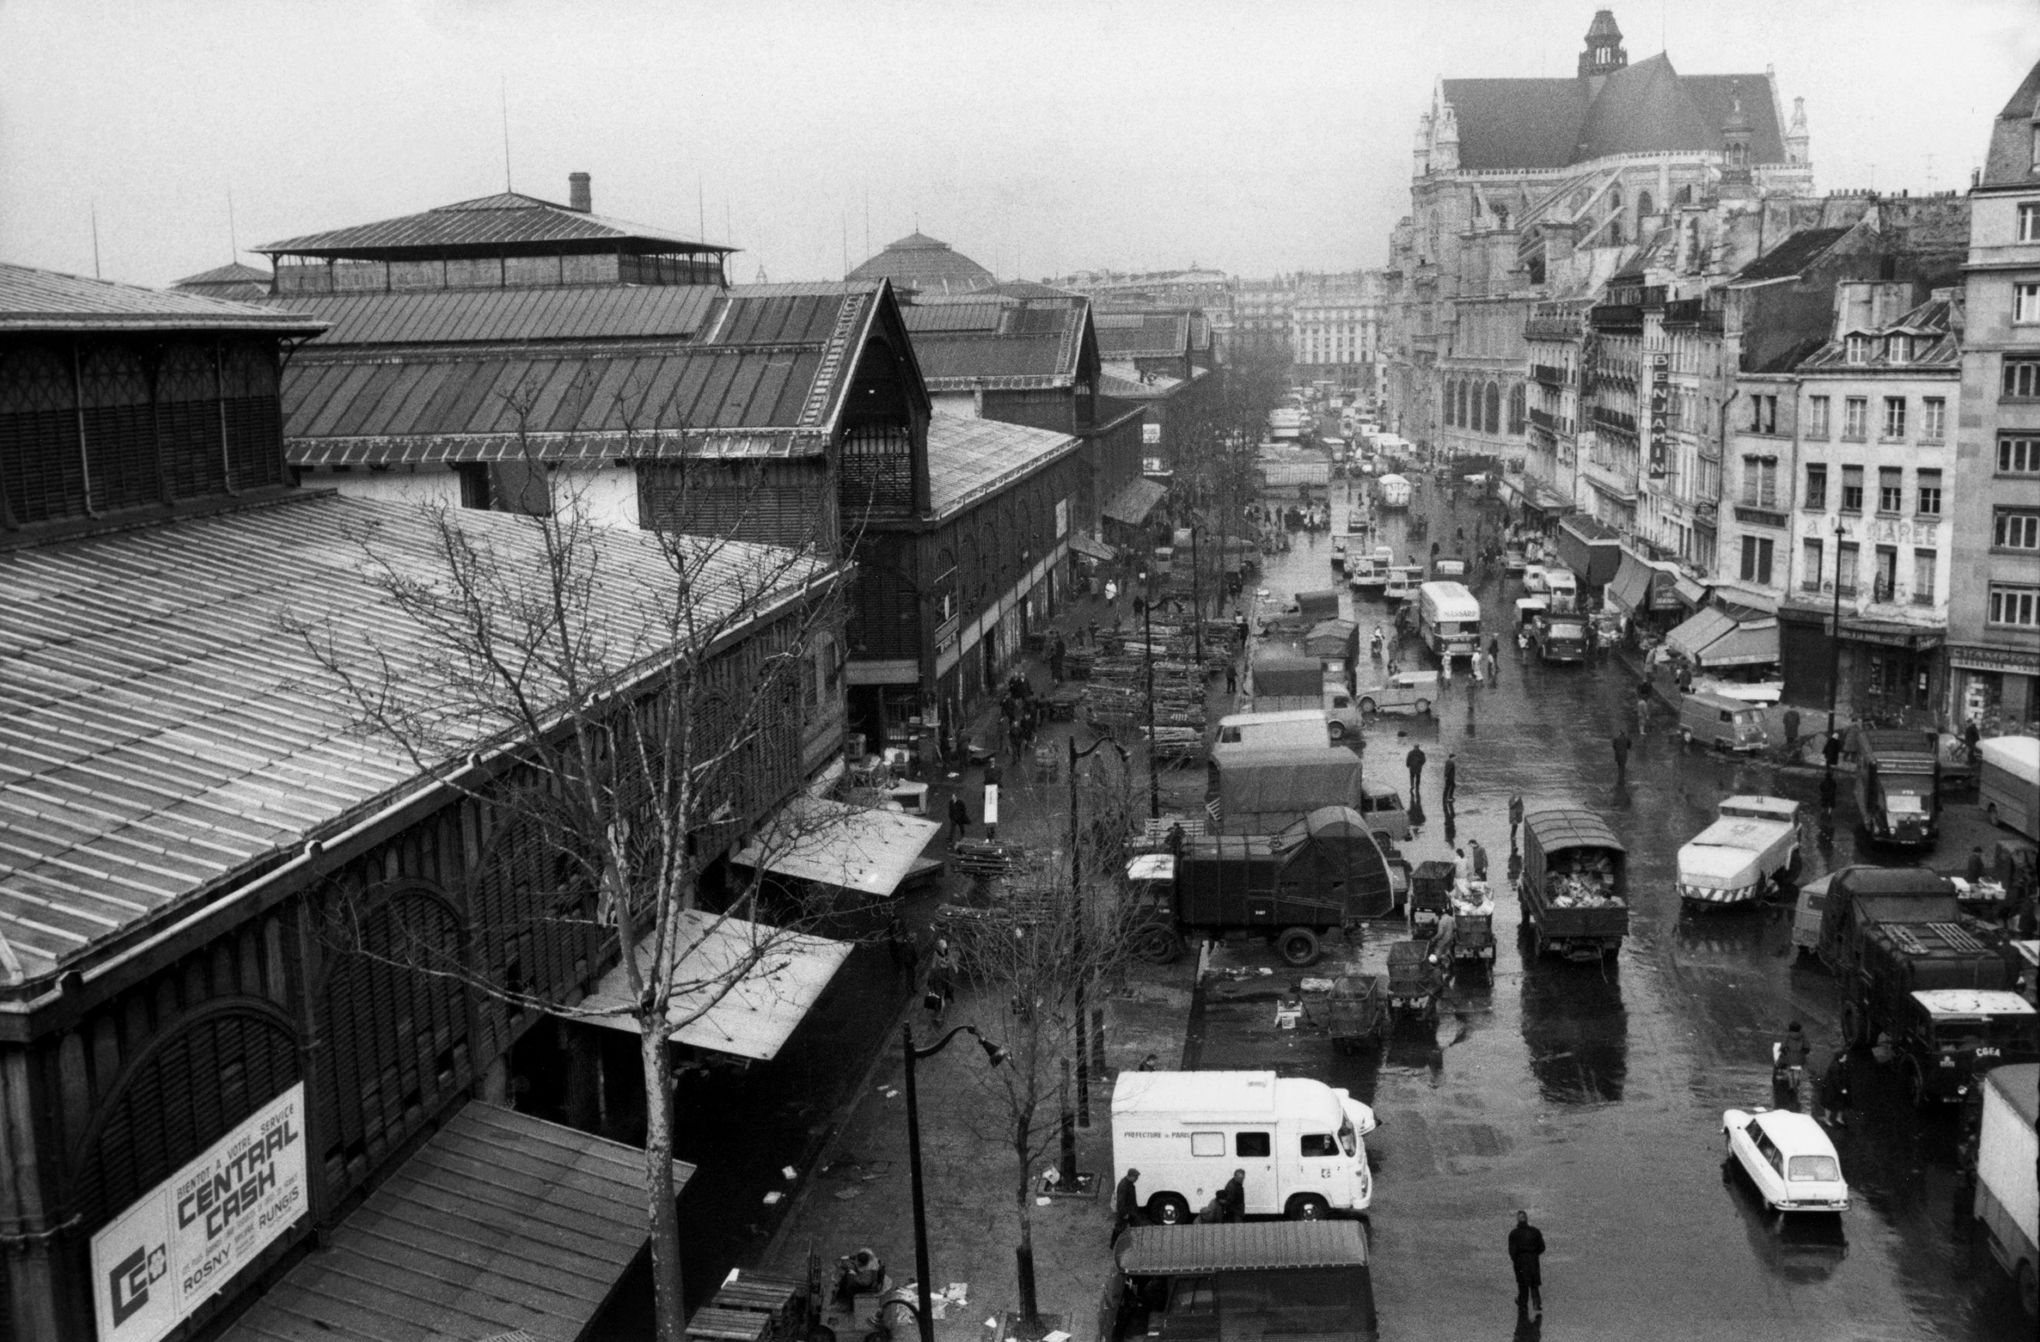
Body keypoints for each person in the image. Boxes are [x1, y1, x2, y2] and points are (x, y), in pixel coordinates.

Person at [1507, 1211, 1546, 1315]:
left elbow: (1512, 1251)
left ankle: (1523, 1305)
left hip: (1521, 1260)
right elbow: (1542, 1247)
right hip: (1533, 1259)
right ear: (1526, 1218)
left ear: (1518, 1219)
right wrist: (1534, 1254)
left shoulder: (1514, 1233)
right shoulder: (1535, 1231)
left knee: (1522, 1284)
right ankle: (1536, 1305)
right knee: (1534, 1283)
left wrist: (1516, 1259)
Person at [1775, 1021, 1811, 1108]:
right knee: (1797, 1077)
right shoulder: (1803, 1036)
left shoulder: (1787, 1036)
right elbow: (1807, 1048)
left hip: (1789, 1060)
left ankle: (1790, 1090)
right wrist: (1801, 1053)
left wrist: (1786, 1053)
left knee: (1789, 1075)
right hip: (1799, 1060)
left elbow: (1782, 1047)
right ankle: (1795, 1092)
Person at [926, 939, 958, 1025]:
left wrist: (954, 967)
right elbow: (933, 966)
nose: (944, 948)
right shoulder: (936, 954)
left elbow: (951, 960)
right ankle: (939, 1016)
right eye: (943, 947)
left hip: (945, 976)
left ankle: (939, 1015)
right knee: (940, 998)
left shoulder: (948, 952)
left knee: (943, 996)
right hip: (938, 978)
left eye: (945, 947)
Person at [1818, 1052, 1853, 1128]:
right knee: (1829, 1104)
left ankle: (1838, 1118)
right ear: (1840, 1058)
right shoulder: (1835, 1067)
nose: (1846, 1058)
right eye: (1845, 1057)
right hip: (1832, 1089)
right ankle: (1827, 1119)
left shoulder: (1841, 1064)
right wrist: (1842, 1089)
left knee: (1841, 1103)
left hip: (1837, 1088)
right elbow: (1835, 1080)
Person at [1112, 1168, 1145, 1243]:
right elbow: (1121, 1201)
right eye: (1136, 1177)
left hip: (1131, 1211)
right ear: (1131, 1176)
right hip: (1125, 1212)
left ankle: (1136, 1242)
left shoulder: (1129, 1183)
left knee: (1136, 1226)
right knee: (1119, 1228)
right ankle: (1113, 1244)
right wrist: (1124, 1214)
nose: (1137, 1179)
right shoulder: (1123, 1186)